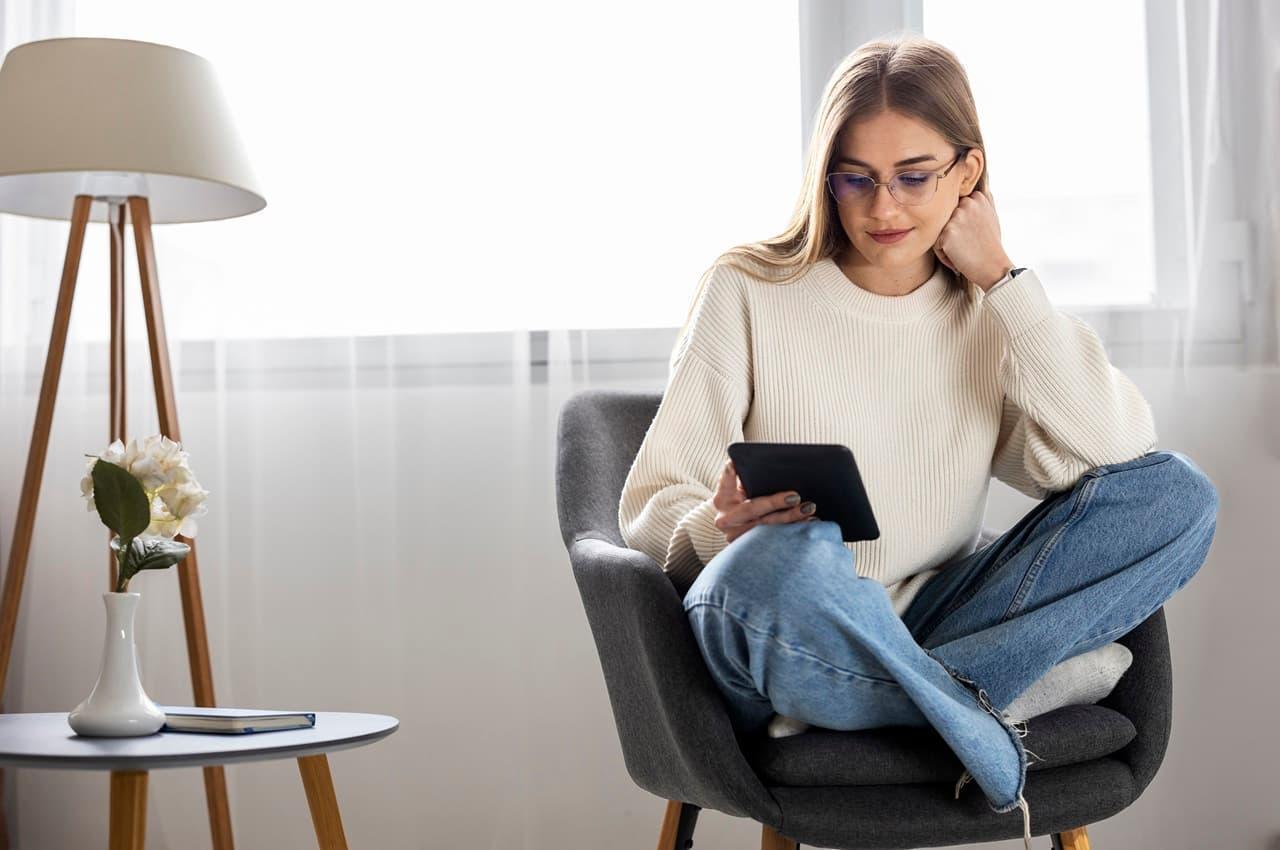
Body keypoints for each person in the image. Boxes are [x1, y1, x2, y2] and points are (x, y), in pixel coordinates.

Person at [616, 34, 1219, 848]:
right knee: (771, 567)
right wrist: (715, 529)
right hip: (796, 613)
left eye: (913, 177)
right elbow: (649, 505)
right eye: (855, 178)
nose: (882, 208)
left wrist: (1006, 283)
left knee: (1179, 492)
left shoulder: (988, 314)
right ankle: (978, 704)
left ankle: (936, 689)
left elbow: (1118, 451)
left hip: (942, 617)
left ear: (967, 174)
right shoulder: (748, 289)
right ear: (826, 175)